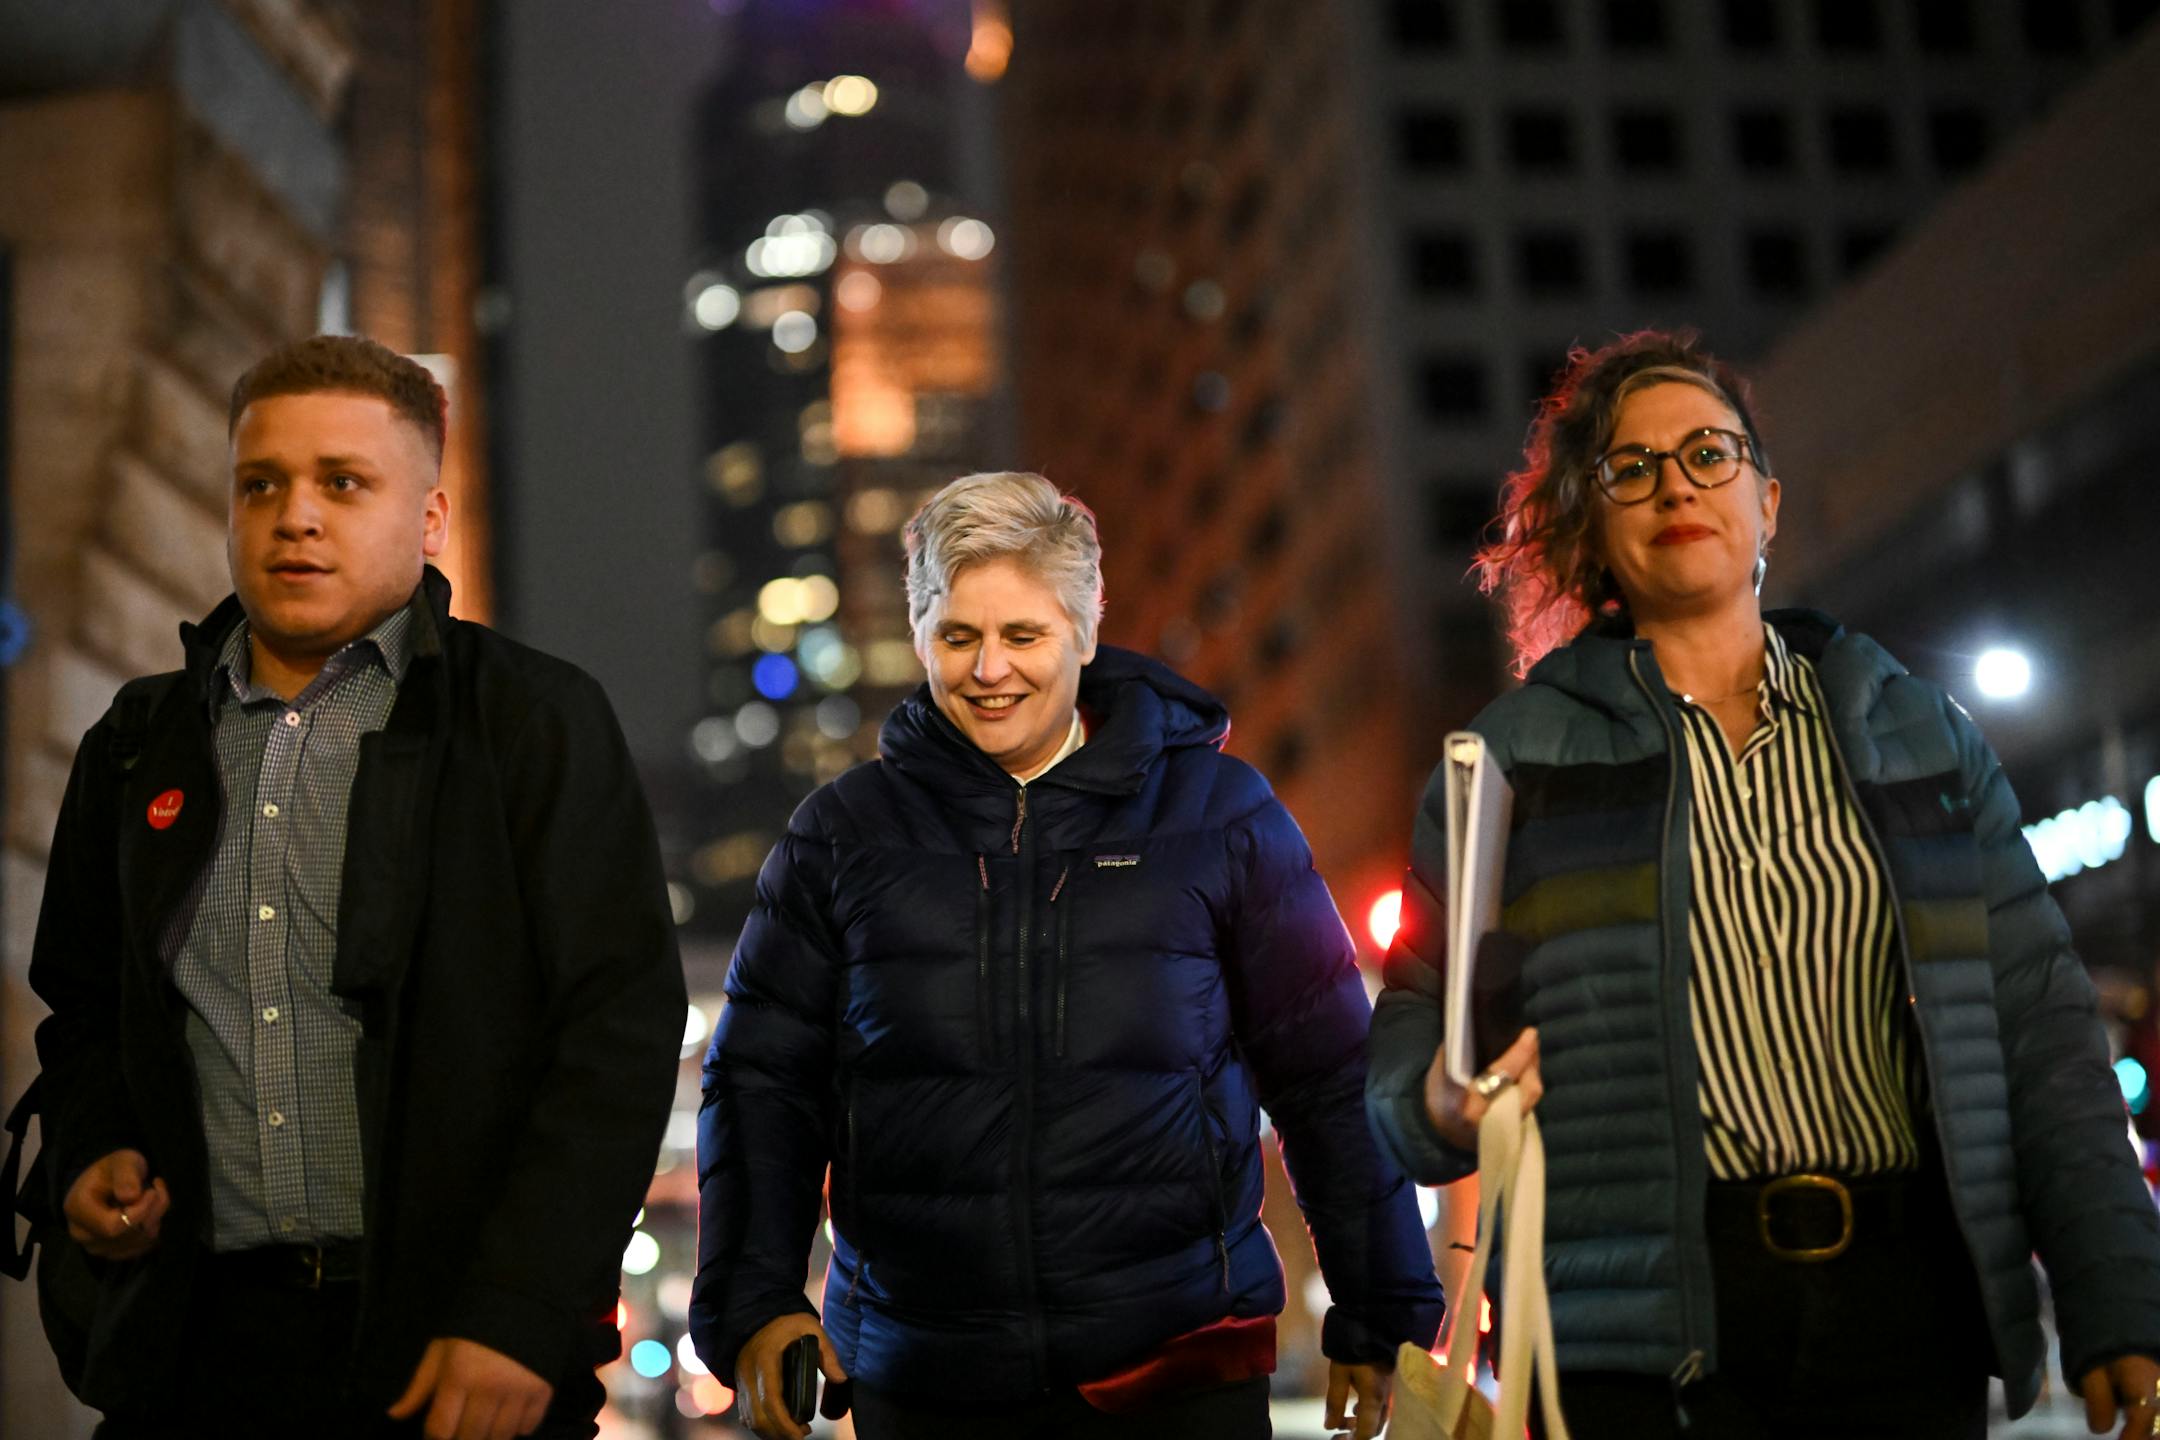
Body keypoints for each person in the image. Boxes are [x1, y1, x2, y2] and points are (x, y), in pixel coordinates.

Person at [1365, 330, 2160, 1440]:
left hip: (1905, 1312)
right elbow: (1411, 1018)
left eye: (1708, 453)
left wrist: (2117, 1296)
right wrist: (1434, 1102)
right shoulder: (1513, 759)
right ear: (1594, 525)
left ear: (1769, 502)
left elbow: (2041, 1029)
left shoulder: (1918, 735)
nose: (1674, 485)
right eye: (1630, 469)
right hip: (1644, 1345)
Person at [691, 472, 1443, 1439]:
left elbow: (1330, 1077)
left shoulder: (1220, 816)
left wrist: (1383, 1313)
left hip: (1178, 1371)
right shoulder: (839, 837)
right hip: (923, 1380)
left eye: (1023, 635)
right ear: (920, 636)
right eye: (957, 635)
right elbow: (762, 1087)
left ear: (1085, 634)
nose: (988, 669)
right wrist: (756, 1303)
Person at [29, 334, 686, 1439]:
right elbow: (85, 1008)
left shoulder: (531, 723)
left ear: (428, 519)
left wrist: (522, 1311)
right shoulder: (139, 741)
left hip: (450, 1356)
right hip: (192, 1357)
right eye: (262, 483)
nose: (296, 514)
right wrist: (93, 1152)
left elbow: (614, 1034)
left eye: (343, 482)